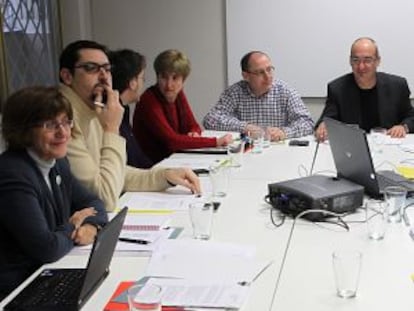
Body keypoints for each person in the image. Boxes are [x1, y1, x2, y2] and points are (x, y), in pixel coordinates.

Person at [59, 40, 200, 212]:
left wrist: (165, 176)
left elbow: (117, 173)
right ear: (67, 76)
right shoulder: (62, 118)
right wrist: (111, 129)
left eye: (107, 69)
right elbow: (104, 197)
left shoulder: (92, 107)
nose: (104, 76)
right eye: (91, 68)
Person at [0, 86, 108, 300]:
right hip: (17, 291)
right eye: (51, 125)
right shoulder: (12, 174)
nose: (63, 132)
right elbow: (47, 248)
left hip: (48, 275)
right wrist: (73, 225)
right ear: (23, 130)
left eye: (66, 121)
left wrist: (91, 225)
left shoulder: (57, 162)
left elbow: (94, 202)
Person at [133, 49, 232, 164]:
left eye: (175, 78)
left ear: (183, 80)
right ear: (157, 77)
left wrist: (193, 133)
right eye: (164, 77)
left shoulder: (178, 94)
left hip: (174, 159)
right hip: (152, 166)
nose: (169, 85)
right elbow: (171, 141)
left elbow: (193, 125)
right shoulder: (148, 100)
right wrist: (216, 142)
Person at [315, 37, 414, 141]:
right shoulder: (337, 88)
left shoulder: (397, 86)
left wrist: (403, 127)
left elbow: (411, 117)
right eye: (356, 60)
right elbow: (327, 120)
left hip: (389, 146)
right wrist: (323, 126)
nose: (361, 67)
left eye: (367, 60)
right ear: (350, 61)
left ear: (377, 61)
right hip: (354, 147)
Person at [202, 51, 314, 141]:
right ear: (246, 76)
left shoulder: (285, 91)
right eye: (260, 72)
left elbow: (307, 123)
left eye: (269, 69)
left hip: (278, 152)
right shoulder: (234, 92)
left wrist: (284, 132)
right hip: (246, 151)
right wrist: (243, 127)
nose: (268, 76)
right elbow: (210, 120)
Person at [109, 49, 153, 168]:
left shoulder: (123, 109)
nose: (143, 83)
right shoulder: (112, 114)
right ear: (133, 83)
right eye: (142, 78)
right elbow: (132, 161)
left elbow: (138, 157)